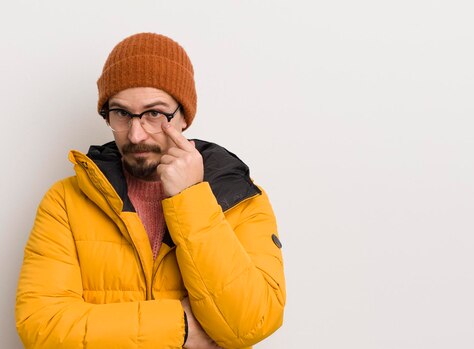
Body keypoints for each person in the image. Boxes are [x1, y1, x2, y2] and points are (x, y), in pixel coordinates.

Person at [15, 32, 285, 349]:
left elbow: (251, 324)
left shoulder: (241, 198)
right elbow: (41, 327)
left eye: (154, 113)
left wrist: (191, 199)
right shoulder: (65, 201)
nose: (136, 133)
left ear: (183, 116)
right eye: (121, 113)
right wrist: (180, 326)